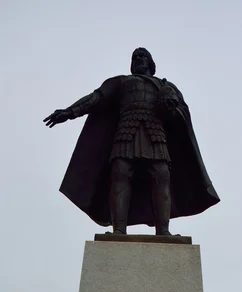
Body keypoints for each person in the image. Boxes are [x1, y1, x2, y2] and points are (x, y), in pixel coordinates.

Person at [44, 48, 220, 235]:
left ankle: (163, 232)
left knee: (161, 175)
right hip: (126, 131)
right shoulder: (121, 82)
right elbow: (96, 98)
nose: (138, 59)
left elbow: (180, 113)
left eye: (143, 57)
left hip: (155, 133)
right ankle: (119, 230)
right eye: (135, 57)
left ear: (152, 64)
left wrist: (171, 106)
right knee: (120, 173)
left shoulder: (166, 86)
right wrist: (70, 112)